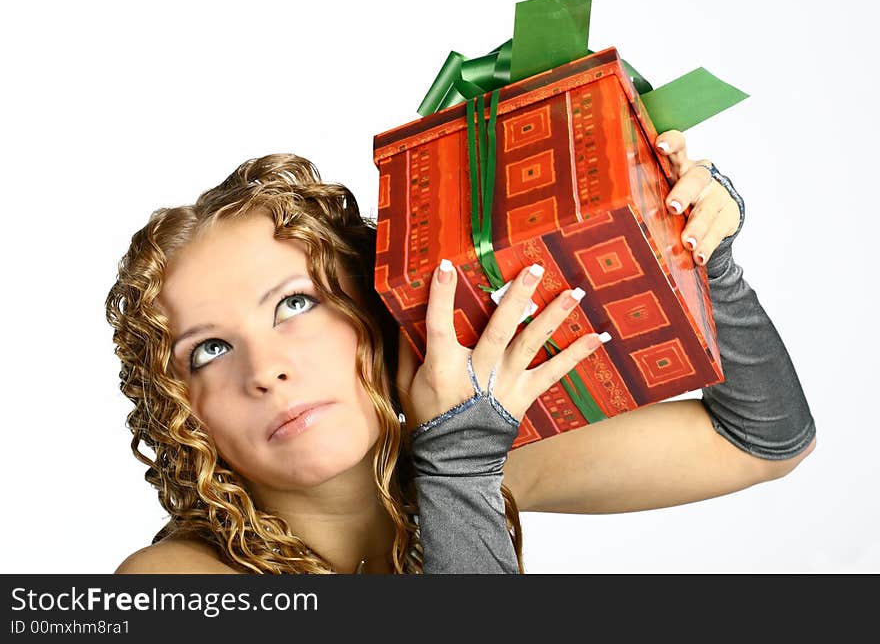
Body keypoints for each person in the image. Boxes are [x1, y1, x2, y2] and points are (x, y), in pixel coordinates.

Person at [106, 130, 816, 574]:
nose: (266, 371)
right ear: (182, 412)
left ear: (373, 310)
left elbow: (763, 439)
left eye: (295, 304)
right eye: (209, 350)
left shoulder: (473, 464)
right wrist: (461, 458)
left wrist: (702, 255)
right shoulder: (169, 582)